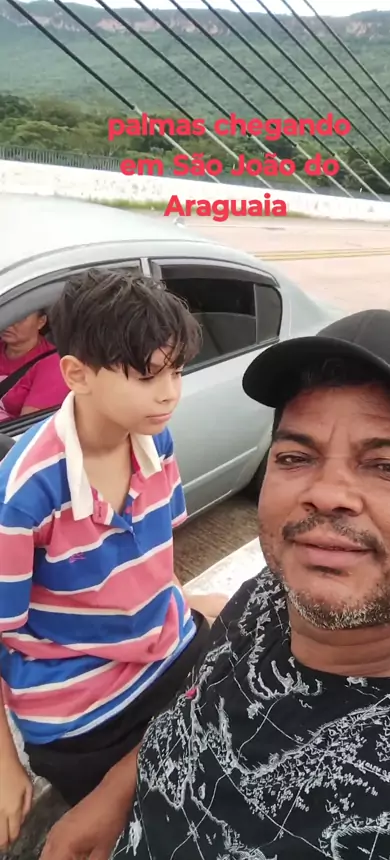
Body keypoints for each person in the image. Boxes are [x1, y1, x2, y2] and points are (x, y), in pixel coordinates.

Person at [39, 308, 390, 860]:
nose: (327, 493)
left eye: (389, 466)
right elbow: (198, 701)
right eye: (296, 457)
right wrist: (113, 793)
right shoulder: (277, 587)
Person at [0, 268, 226, 852]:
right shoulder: (24, 495)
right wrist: (4, 764)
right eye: (148, 375)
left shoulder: (154, 438)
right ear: (77, 374)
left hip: (166, 656)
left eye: (176, 370)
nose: (170, 393)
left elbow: (156, 553)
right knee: (154, 829)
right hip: (81, 711)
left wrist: (180, 605)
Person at [0, 310, 69, 421]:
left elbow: (28, 424)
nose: (10, 322)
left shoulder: (52, 365)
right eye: (7, 314)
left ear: (41, 322)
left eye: (20, 317)